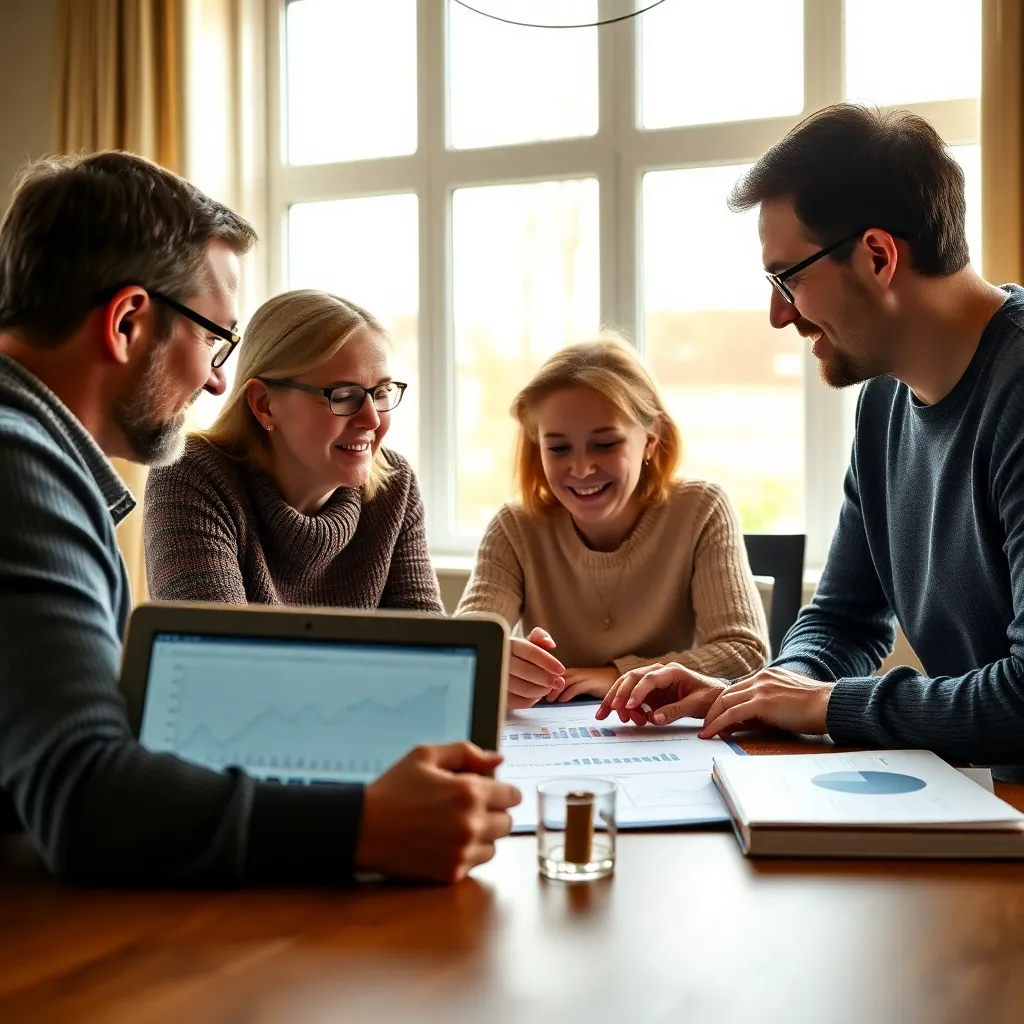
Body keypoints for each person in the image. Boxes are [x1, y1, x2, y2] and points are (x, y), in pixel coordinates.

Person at [0, 151, 518, 885]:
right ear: (125, 322)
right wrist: (365, 826)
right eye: (214, 338)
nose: (217, 377)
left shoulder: (35, 459)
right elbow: (84, 795)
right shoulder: (18, 468)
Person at [599, 103, 1024, 781]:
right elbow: (845, 619)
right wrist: (770, 692)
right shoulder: (883, 403)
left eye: (787, 277)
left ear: (878, 255)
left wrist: (824, 704)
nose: (777, 314)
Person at [456, 338, 770, 709]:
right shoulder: (514, 526)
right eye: (558, 448)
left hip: (661, 729)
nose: (582, 468)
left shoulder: (701, 508)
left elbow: (746, 653)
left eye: (605, 444)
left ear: (650, 441)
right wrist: (496, 660)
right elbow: (465, 646)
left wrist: (617, 675)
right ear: (536, 446)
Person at [144, 289, 443, 613]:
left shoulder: (394, 487)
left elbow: (432, 653)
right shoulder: (191, 476)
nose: (371, 419)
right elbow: (216, 657)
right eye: (343, 395)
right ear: (264, 404)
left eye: (381, 392)